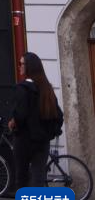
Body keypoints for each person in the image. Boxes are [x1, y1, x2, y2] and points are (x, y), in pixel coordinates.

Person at [8, 52, 63, 188]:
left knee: (22, 178)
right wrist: (50, 133)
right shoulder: (47, 88)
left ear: (29, 67)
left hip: (24, 140)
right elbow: (58, 115)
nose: (19, 66)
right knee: (38, 179)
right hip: (42, 142)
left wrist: (13, 123)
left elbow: (20, 115)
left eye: (21, 64)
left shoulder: (22, 89)